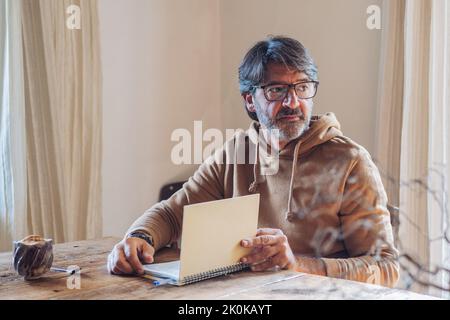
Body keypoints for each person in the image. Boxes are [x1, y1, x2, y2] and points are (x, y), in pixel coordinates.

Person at [107, 36, 399, 287]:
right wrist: (138, 237)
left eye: (302, 87)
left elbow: (386, 269)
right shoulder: (237, 152)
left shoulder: (350, 161)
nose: (293, 102)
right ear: (249, 100)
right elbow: (172, 214)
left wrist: (297, 264)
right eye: (277, 90)